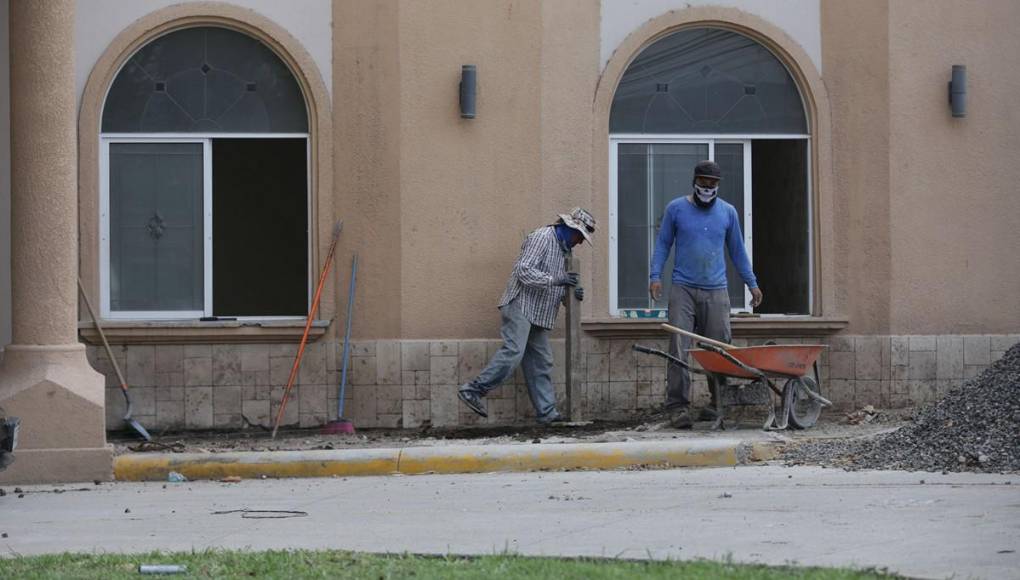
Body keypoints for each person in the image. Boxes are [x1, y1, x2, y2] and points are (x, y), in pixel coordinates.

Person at [649, 160, 762, 428]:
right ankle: (678, 406)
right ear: (694, 182)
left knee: (719, 347)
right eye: (703, 182)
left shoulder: (728, 213)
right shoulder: (676, 209)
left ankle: (717, 403)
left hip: (717, 290)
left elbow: (737, 251)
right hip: (683, 288)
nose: (707, 188)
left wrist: (752, 283)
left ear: (718, 185)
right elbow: (663, 244)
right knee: (678, 345)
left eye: (712, 184)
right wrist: (655, 276)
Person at [458, 208, 597, 424]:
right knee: (514, 351)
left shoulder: (566, 253)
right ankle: (473, 390)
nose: (580, 242)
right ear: (570, 228)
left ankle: (547, 414)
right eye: (580, 236)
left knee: (541, 362)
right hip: (520, 305)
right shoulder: (541, 237)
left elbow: (558, 285)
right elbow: (523, 271)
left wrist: (571, 294)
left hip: (540, 313)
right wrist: (557, 280)